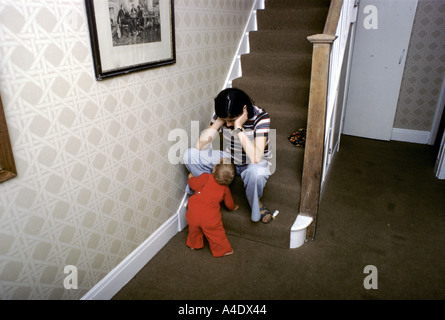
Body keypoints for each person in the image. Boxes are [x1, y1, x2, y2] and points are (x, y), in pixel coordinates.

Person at [183, 88, 273, 224]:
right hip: (230, 158)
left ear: (244, 110)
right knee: (190, 155)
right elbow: (199, 146)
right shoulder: (223, 115)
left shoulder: (261, 117)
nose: (228, 124)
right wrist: (219, 121)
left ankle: (256, 204)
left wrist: (238, 127)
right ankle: (211, 192)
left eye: (231, 120)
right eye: (226, 121)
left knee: (257, 172)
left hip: (253, 161)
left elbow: (256, 157)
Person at [186, 158, 239, 257]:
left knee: (193, 229)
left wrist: (191, 178)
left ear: (214, 170)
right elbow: (229, 203)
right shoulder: (225, 188)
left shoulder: (206, 177)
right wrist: (233, 207)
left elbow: (194, 185)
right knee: (216, 234)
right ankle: (223, 250)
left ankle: (194, 244)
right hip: (209, 217)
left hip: (193, 211)